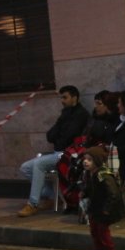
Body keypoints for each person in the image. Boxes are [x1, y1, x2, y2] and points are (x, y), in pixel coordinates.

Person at [17, 85, 88, 217]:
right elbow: (50, 135)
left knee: (39, 164)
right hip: (58, 152)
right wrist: (58, 136)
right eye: (61, 97)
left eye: (65, 97)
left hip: (68, 154)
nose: (62, 100)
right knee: (25, 167)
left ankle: (33, 204)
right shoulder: (65, 113)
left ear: (74, 98)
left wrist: (58, 137)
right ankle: (51, 196)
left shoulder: (81, 114)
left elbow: (69, 136)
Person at [79, 146, 123, 250]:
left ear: (97, 161)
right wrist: (84, 193)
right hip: (96, 207)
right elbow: (91, 188)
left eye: (89, 160)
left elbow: (113, 193)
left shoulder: (104, 175)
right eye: (85, 159)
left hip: (104, 208)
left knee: (103, 231)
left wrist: (107, 209)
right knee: (94, 229)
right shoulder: (91, 174)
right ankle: (99, 248)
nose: (85, 162)